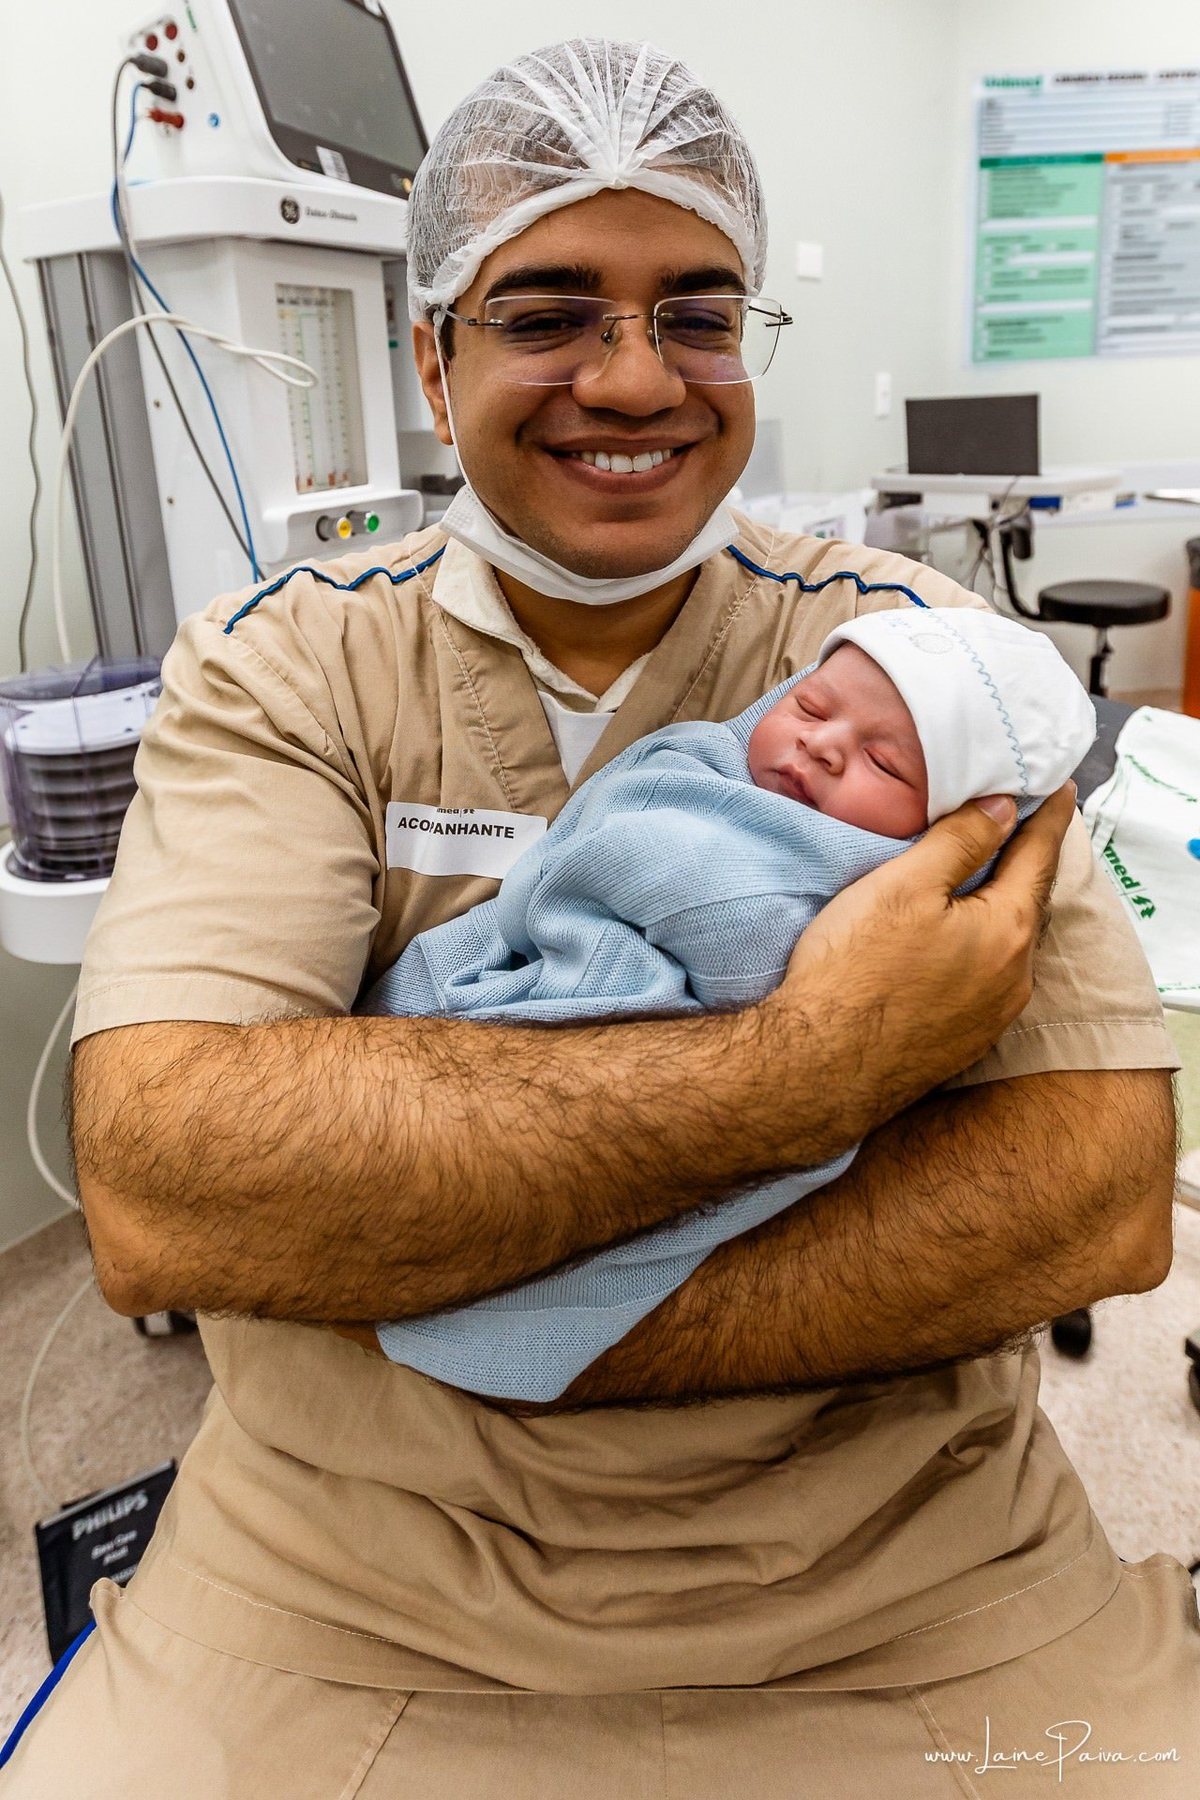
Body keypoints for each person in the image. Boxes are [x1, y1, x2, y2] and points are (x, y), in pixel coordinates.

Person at [7, 37, 1193, 1799]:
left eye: (697, 315)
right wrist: (802, 1077)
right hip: (352, 1582)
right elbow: (170, 1190)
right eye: (551, 312)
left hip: (899, 1578)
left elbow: (1094, 1192)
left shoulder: (923, 663)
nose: (635, 381)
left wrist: (420, 1254)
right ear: (431, 354)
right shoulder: (284, 666)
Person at [365, 606, 1098, 1404]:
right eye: (811, 708)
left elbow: (748, 938)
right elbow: (619, 813)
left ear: (955, 827)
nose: (819, 743)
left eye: (883, 765)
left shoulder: (855, 876)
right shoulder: (704, 764)